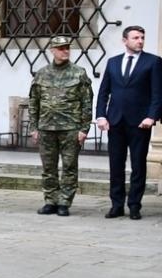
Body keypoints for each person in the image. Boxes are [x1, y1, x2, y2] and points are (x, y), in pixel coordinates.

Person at [95, 25, 161, 218]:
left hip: (140, 122)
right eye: (135, 38)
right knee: (116, 165)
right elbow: (103, 92)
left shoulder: (153, 62)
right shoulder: (113, 62)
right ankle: (116, 205)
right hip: (115, 121)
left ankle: (134, 205)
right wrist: (101, 116)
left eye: (142, 37)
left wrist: (152, 116)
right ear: (125, 41)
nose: (140, 41)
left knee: (138, 165)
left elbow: (158, 93)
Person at [27, 35, 92, 216]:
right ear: (52, 50)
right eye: (61, 48)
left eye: (67, 48)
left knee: (69, 167)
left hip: (70, 128)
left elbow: (86, 102)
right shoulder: (41, 74)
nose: (65, 51)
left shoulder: (79, 73)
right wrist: (34, 127)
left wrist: (84, 129)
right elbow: (34, 102)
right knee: (49, 167)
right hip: (46, 127)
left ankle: (64, 202)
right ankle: (50, 201)